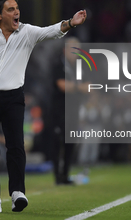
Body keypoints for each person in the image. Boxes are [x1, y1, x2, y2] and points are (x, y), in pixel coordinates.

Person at [0, 0, 86, 213]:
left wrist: (70, 23)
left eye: (16, 8)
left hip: (13, 97)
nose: (16, 12)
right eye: (10, 9)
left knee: (16, 145)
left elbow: (50, 31)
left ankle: (17, 193)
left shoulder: (27, 32)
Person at [51, 37, 90, 185]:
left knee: (70, 142)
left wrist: (73, 86)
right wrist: (78, 86)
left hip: (74, 110)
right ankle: (57, 175)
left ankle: (65, 174)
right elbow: (62, 86)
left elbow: (89, 87)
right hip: (59, 110)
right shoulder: (58, 65)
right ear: (64, 50)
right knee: (58, 141)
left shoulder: (81, 66)